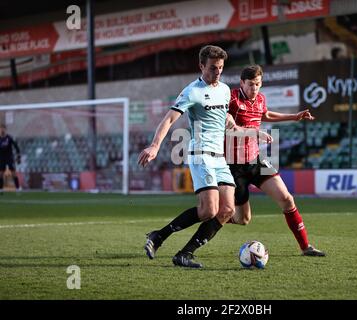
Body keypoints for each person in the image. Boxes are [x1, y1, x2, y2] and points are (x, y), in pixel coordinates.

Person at [137, 46, 271, 268]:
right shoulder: (192, 91)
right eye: (212, 68)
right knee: (208, 210)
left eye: (220, 68)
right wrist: (154, 146)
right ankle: (159, 236)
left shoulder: (226, 90)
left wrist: (254, 132)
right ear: (201, 66)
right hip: (200, 155)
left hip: (219, 157)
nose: (217, 72)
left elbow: (228, 124)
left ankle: (184, 254)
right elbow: (169, 119)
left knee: (227, 210)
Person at [225, 65, 325, 257]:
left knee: (287, 199)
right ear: (242, 83)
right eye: (251, 84)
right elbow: (225, 122)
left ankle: (306, 247)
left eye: (258, 84)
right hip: (234, 166)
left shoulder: (260, 99)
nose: (255, 88)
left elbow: (267, 115)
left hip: (255, 160)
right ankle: (218, 217)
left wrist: (294, 116)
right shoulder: (231, 98)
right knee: (243, 219)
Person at [0, 124, 21, 194]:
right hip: (1, 158)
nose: (2, 130)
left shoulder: (9, 138)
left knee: (14, 173)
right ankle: (1, 189)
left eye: (3, 128)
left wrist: (18, 156)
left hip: (9, 158)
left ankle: (18, 189)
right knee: (1, 174)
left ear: (5, 129)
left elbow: (16, 146)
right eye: (1, 128)